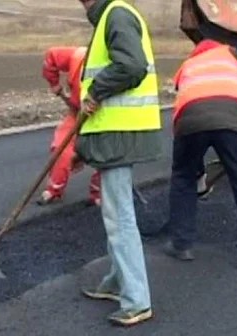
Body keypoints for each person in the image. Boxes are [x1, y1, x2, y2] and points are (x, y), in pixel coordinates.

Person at [74, 0, 161, 327]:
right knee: (113, 211)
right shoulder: (108, 18)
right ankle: (115, 281)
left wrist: (95, 91)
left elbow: (132, 66)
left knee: (120, 216)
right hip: (113, 134)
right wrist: (83, 147)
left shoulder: (117, 15)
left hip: (121, 134)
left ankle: (137, 300)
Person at [166, 39, 237, 276]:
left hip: (191, 121)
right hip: (233, 120)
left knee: (182, 178)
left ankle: (182, 245)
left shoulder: (188, 66)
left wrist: (197, 173)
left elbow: (188, 101)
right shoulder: (232, 55)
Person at [37, 46, 101, 207]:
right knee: (61, 147)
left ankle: (98, 193)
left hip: (105, 117)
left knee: (106, 154)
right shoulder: (78, 56)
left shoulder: (118, 63)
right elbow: (51, 56)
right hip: (77, 112)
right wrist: (55, 85)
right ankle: (54, 190)